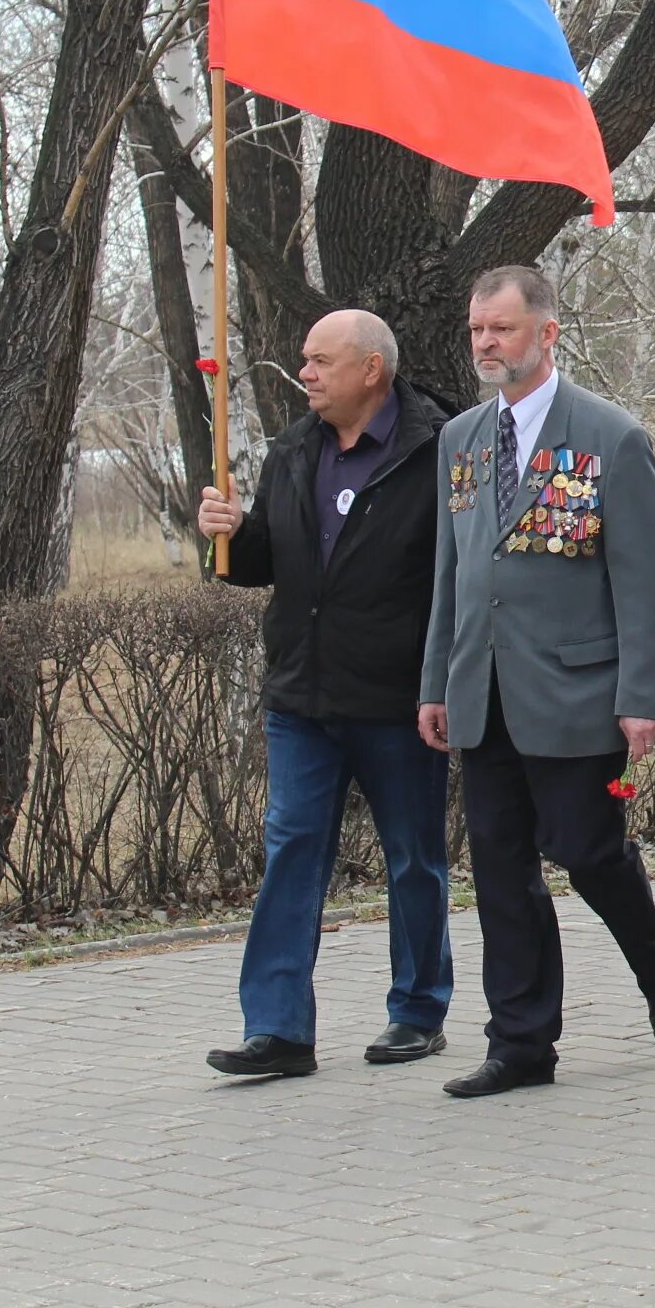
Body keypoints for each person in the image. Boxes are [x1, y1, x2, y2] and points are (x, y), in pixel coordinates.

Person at [418, 266, 655, 1098]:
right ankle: (521, 1043)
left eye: (500, 329)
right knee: (501, 869)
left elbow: (646, 581)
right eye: (476, 330)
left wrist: (643, 698)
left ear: (547, 334)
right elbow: (451, 571)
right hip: (484, 690)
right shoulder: (461, 440)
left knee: (586, 848)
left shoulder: (609, 437)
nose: (485, 345)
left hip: (576, 690)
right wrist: (437, 679)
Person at [198, 311, 455, 1079]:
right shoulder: (294, 447)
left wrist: (440, 682)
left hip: (396, 697)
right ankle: (277, 1028)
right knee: (292, 851)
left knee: (413, 859)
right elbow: (267, 562)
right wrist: (233, 531)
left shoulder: (436, 449)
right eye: (304, 361)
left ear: (370, 369)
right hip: (301, 699)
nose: (303, 373)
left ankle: (417, 1010)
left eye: (319, 361)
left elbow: (457, 575)